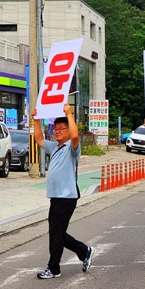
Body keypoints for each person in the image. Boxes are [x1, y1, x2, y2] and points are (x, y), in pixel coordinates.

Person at [32, 104, 94, 279]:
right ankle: (84, 251)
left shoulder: (72, 147)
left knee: (55, 233)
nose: (57, 131)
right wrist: (36, 120)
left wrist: (69, 114)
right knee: (57, 232)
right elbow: (39, 139)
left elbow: (75, 135)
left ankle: (54, 268)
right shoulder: (55, 147)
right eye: (56, 128)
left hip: (67, 196)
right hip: (56, 196)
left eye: (62, 128)